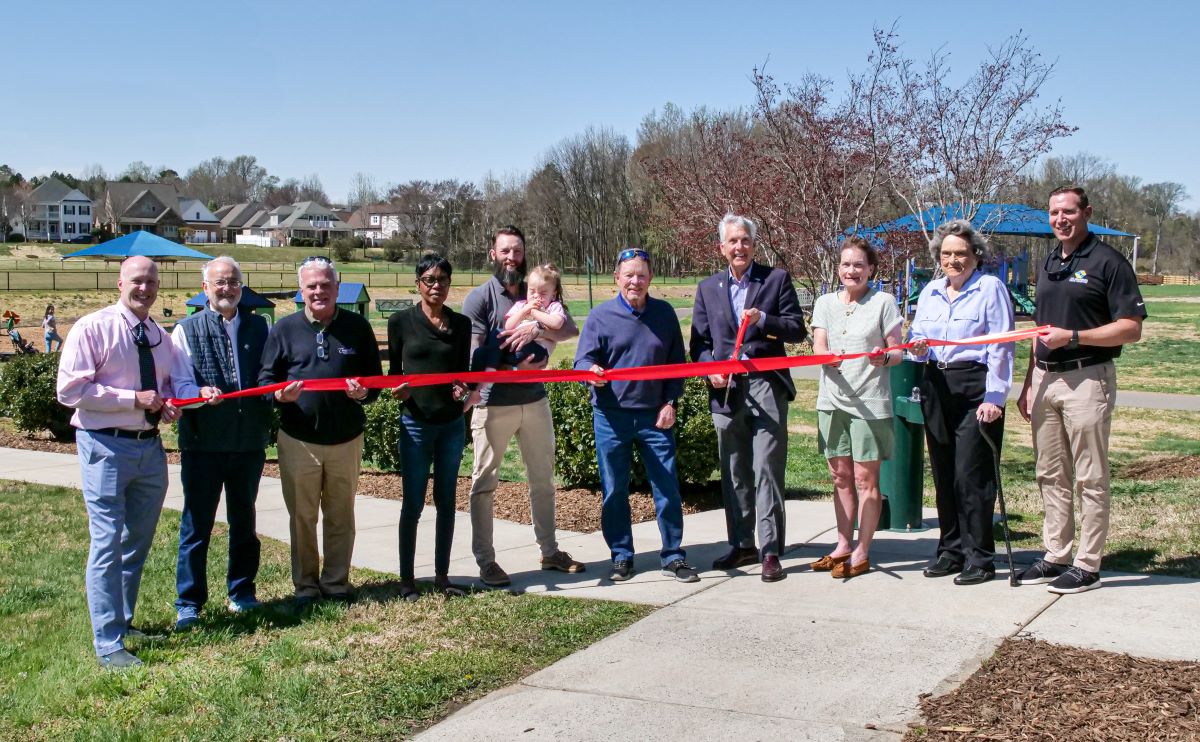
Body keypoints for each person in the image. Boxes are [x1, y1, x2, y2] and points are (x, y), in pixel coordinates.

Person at [1016, 186, 1146, 594]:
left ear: (1086, 213)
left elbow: (1131, 328)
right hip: (1045, 379)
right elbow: (1040, 330)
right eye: (1054, 212)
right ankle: (1056, 554)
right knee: (1050, 472)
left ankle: (1088, 565)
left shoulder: (1109, 261)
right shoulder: (1050, 261)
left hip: (1086, 377)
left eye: (1069, 212)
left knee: (1090, 476)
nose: (1061, 219)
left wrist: (1074, 337)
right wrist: (1028, 382)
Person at [56, 256, 181, 668]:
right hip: (105, 447)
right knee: (107, 542)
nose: (145, 288)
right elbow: (70, 391)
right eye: (137, 281)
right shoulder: (93, 328)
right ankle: (108, 643)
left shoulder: (159, 336)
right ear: (119, 283)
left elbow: (163, 386)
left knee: (136, 543)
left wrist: (168, 403)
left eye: (151, 282)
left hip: (149, 449)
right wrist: (132, 400)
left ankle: (123, 622)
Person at [462, 225, 584, 587]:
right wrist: (510, 363)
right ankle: (486, 560)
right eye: (505, 251)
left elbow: (569, 329)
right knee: (484, 483)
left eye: (517, 251)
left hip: (534, 401)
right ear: (493, 254)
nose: (511, 257)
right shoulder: (480, 298)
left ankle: (550, 551)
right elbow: (475, 352)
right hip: (493, 404)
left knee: (543, 480)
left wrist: (537, 331)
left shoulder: (540, 287)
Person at [259, 256, 383, 608]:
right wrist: (278, 395)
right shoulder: (284, 329)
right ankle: (306, 585)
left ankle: (336, 582)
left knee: (340, 514)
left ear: (337, 288)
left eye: (326, 285)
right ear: (301, 290)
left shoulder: (357, 327)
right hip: (299, 440)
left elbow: (375, 381)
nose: (319, 291)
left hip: (346, 439)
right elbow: (265, 380)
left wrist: (364, 393)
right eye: (311, 285)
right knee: (303, 516)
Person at [690, 214, 807, 582]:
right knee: (734, 469)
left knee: (767, 467)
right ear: (721, 247)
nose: (739, 247)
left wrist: (763, 320)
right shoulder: (707, 288)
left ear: (754, 245)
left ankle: (769, 550)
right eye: (733, 241)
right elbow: (700, 343)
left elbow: (796, 330)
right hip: (726, 390)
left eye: (745, 240)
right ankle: (741, 544)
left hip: (766, 384)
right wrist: (710, 369)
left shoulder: (776, 280)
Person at [574, 248, 697, 583]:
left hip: (655, 417)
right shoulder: (600, 316)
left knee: (666, 486)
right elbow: (581, 361)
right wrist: (590, 371)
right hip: (611, 417)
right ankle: (621, 556)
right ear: (617, 278)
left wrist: (671, 402)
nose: (635, 281)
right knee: (614, 489)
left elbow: (677, 364)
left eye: (641, 275)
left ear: (650, 278)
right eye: (629, 275)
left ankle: (673, 555)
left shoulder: (664, 314)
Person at [908, 221, 1015, 586]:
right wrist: (917, 348)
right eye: (946, 253)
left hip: (975, 386)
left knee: (971, 474)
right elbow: (918, 338)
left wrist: (995, 396)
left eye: (961, 253)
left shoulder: (990, 288)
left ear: (975, 256)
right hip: (936, 384)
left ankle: (980, 557)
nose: (953, 260)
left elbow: (1002, 344)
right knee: (944, 472)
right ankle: (950, 550)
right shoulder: (930, 291)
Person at [168, 257, 271, 630]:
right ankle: (189, 602)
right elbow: (178, 382)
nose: (227, 289)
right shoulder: (185, 330)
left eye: (233, 282)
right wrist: (197, 392)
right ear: (205, 288)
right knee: (197, 525)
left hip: (248, 443)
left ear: (242, 287)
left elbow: (269, 375)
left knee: (244, 521)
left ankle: (241, 592)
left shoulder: (260, 327)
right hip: (203, 444)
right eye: (220, 283)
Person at [809, 237, 903, 579]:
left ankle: (863, 550)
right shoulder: (824, 303)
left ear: (871, 269)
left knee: (866, 479)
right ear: (838, 269)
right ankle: (842, 544)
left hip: (869, 403)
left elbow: (897, 351)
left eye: (859, 265)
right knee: (840, 477)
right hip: (831, 402)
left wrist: (883, 358)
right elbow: (819, 345)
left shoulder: (884, 302)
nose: (852, 270)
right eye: (846, 264)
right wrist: (825, 356)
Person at [387, 253, 473, 600]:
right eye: (429, 279)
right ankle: (407, 581)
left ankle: (442, 576)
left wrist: (462, 389)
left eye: (443, 279)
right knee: (413, 504)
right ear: (418, 283)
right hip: (416, 425)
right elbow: (394, 375)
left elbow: (464, 375)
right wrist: (399, 390)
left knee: (447, 501)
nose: (436, 285)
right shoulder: (400, 322)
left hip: (451, 425)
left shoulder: (461, 324)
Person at [470, 263, 567, 405]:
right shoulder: (522, 305)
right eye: (532, 291)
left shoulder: (553, 306)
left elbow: (557, 323)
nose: (536, 296)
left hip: (535, 350)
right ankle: (475, 389)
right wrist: (524, 311)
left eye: (542, 293)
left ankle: (494, 367)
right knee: (482, 351)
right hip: (513, 347)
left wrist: (535, 313)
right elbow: (508, 326)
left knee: (502, 350)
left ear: (553, 294)